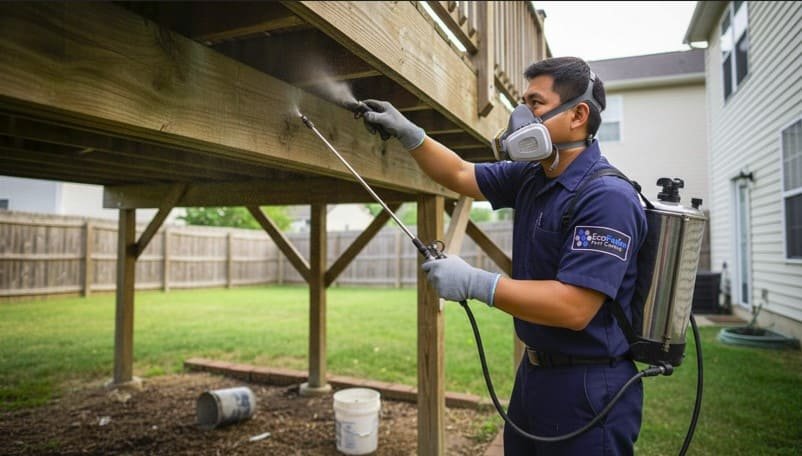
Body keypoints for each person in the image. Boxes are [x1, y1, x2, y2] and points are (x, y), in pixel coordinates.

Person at [361, 56, 647, 455]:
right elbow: (461, 174)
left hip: (589, 387)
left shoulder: (607, 198)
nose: (521, 115)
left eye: (536, 103)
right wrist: (412, 135)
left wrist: (479, 283)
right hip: (535, 377)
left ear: (579, 113)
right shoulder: (533, 175)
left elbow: (575, 307)